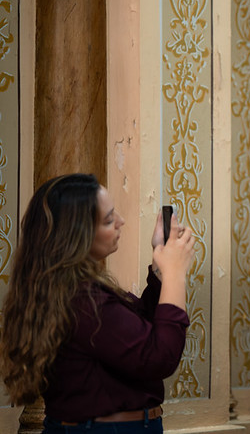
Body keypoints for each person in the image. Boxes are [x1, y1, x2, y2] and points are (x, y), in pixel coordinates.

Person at [0, 173, 195, 433]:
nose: (121, 222)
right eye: (108, 219)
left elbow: (141, 328)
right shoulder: (82, 302)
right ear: (77, 235)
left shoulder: (71, 290)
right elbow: (160, 356)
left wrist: (160, 273)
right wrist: (174, 274)